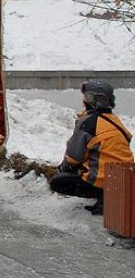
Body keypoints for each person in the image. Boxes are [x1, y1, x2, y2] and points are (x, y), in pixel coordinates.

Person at [49, 80, 134, 215]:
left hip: (103, 182)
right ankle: (107, 195)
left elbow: (73, 157)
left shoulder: (88, 123)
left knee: (57, 182)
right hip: (124, 179)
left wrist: (63, 170)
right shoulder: (114, 120)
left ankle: (103, 196)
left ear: (90, 100)